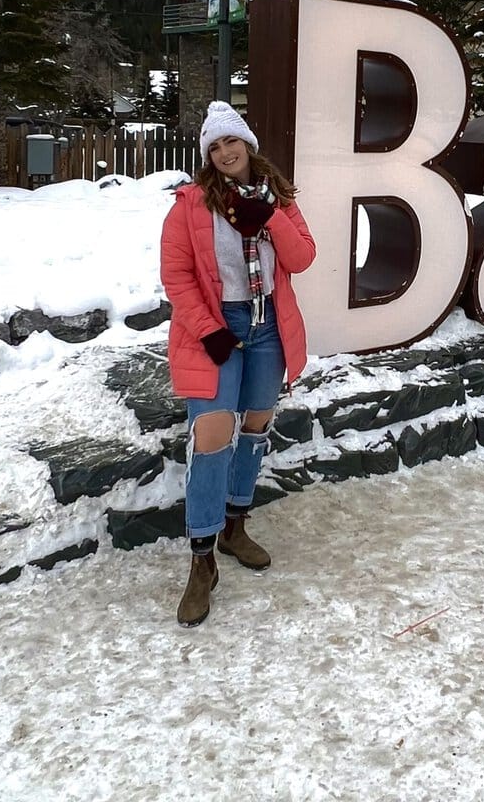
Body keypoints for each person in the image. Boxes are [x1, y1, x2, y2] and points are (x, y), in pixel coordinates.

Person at [160, 100, 316, 627]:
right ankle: (201, 559)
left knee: (255, 425)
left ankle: (234, 526)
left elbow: (302, 259)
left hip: (269, 324)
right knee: (211, 432)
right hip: (216, 325)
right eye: (215, 146)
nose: (225, 152)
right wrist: (211, 331)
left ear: (248, 145)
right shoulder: (189, 205)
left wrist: (270, 216)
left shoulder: (280, 199)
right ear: (208, 155)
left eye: (232, 142)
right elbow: (177, 276)